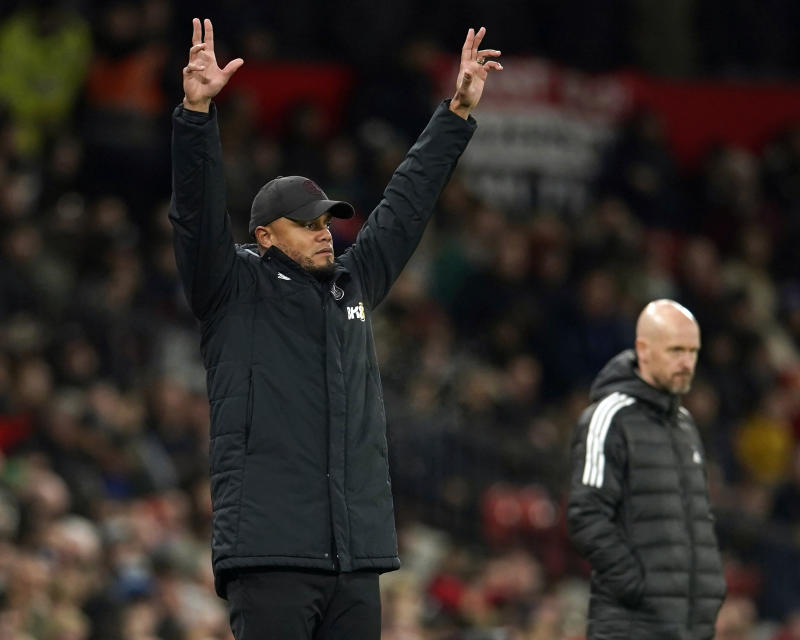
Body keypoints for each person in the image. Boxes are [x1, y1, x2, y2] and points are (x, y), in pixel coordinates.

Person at [169, 17, 502, 640]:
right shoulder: (231, 287)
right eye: (308, 222)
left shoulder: (352, 284)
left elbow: (405, 205)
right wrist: (195, 115)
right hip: (269, 555)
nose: (326, 230)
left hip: (355, 558)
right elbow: (195, 214)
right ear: (264, 235)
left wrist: (455, 114)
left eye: (328, 219)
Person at [567, 299, 726, 639]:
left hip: (691, 627)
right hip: (631, 627)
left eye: (693, 351)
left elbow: (694, 519)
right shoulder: (609, 417)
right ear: (643, 349)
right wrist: (639, 587)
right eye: (676, 350)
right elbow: (586, 514)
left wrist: (709, 592)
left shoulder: (684, 425)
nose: (687, 363)